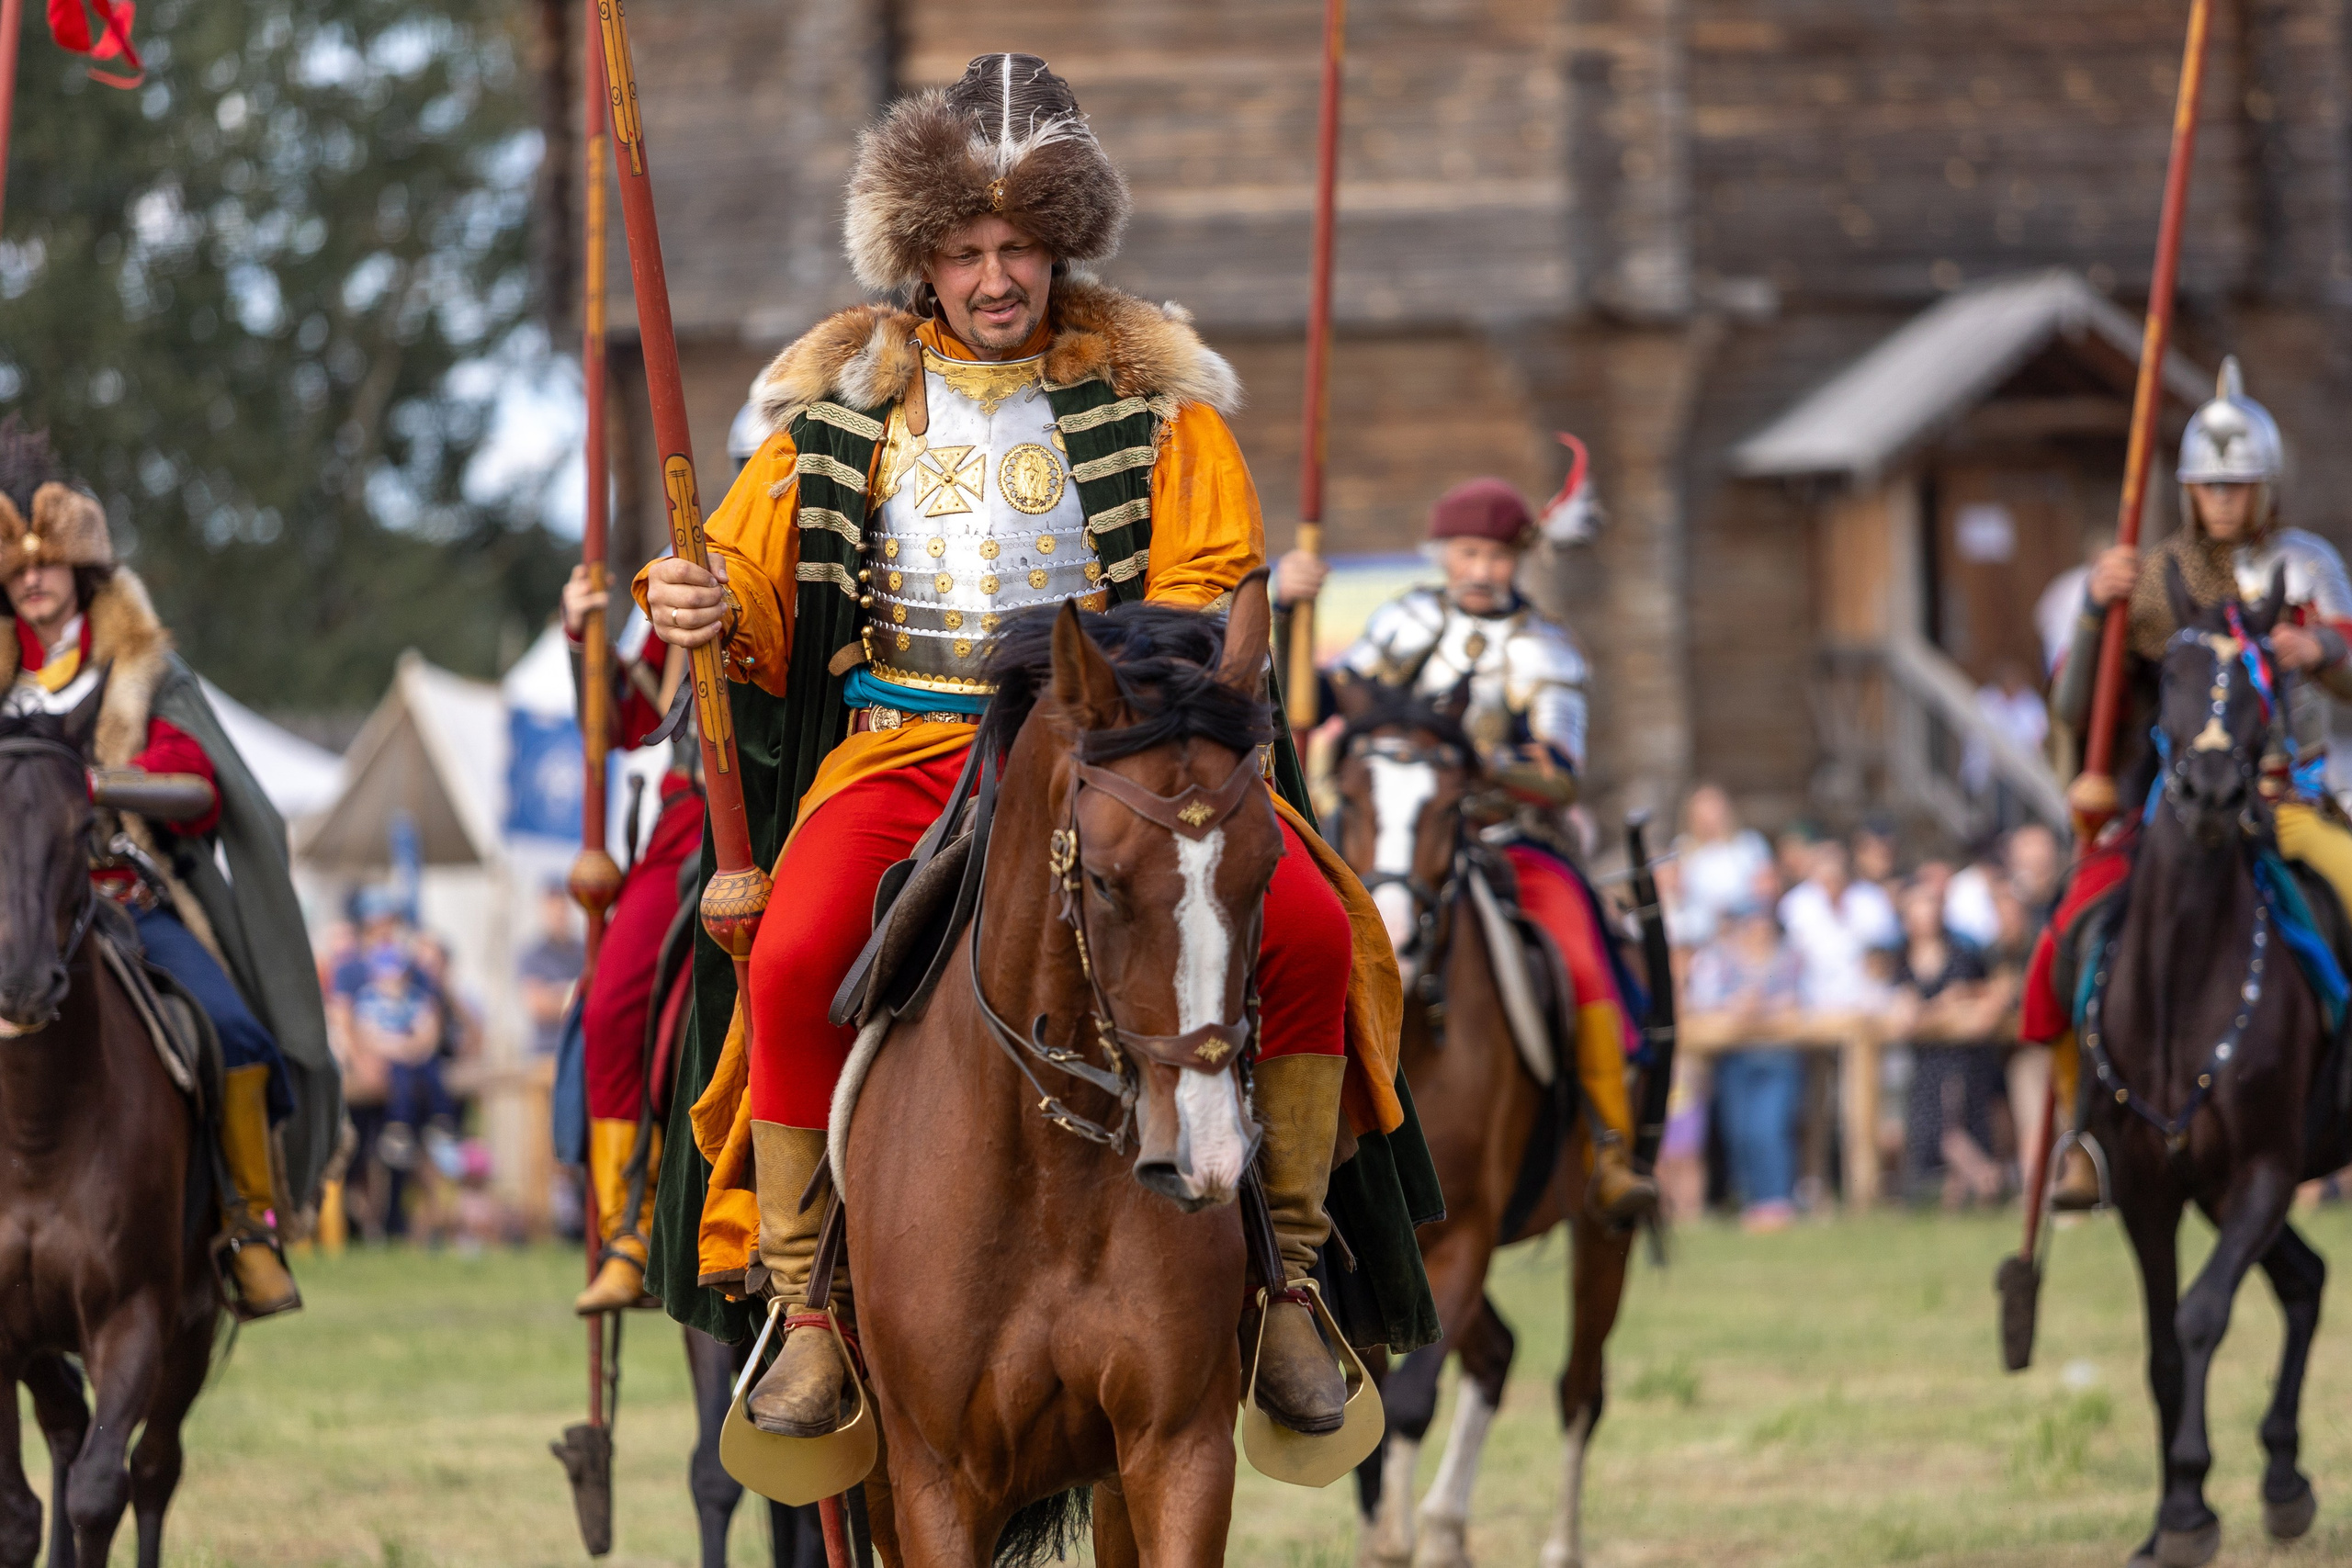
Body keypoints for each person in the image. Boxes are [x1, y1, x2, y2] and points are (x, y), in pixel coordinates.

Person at [639, 55, 1434, 1440]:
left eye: (1018, 248)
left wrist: (1117, 700)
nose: (995, 278)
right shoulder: (838, 417)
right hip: (900, 750)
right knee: (794, 945)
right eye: (964, 251)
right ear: (921, 260)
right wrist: (697, 598)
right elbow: (755, 599)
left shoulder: (1161, 412)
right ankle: (809, 1305)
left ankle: (1294, 1275)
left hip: (1102, 757)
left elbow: (1202, 600)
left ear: (1059, 248)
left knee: (1307, 927)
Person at [0, 423, 338, 1316]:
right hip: (13, 909)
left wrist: (99, 784)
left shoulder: (141, 670)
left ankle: (249, 1227)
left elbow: (198, 788)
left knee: (234, 1034)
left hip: (123, 900)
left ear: (83, 574)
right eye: (18, 571)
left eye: (49, 566)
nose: (32, 580)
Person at [1295, 474, 1660, 1224]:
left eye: (1498, 555)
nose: (1483, 569)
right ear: (1443, 556)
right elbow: (1325, 702)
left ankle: (1610, 1143)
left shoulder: (1545, 649)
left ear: (1520, 558)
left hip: (1508, 838)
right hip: (1390, 834)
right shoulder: (1403, 622)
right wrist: (1290, 610)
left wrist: (1475, 765)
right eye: (1468, 552)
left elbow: (1561, 771)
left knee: (1580, 950)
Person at [2041, 357, 2352, 1205]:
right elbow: (2080, 702)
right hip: (2178, 812)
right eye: (2209, 488)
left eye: (2238, 485)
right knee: (2066, 933)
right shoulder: (2152, 579)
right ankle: (2087, 1134)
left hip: (2292, 798)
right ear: (2187, 492)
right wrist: (2095, 612)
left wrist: (2322, 651)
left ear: (2265, 487)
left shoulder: (2307, 565)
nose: (2223, 501)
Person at [561, 562, 707, 1314]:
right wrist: (585, 636)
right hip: (692, 815)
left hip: (804, 794)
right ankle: (633, 1224)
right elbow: (623, 720)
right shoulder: (691, 567)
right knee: (610, 1006)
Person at [1683, 888, 1807, 1230]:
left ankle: (1777, 1200)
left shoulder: (1790, 958)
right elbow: (1703, 1001)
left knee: (1769, 1129)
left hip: (1777, 1058)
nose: (1757, 928)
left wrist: (1767, 1007)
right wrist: (1735, 1006)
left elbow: (1803, 1001)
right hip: (1734, 1057)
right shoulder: (1721, 959)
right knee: (1739, 1132)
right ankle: (1751, 1200)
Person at [1888, 879, 2011, 1207]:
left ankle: (1986, 1180)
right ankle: (1972, 1189)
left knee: (1955, 1126)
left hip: (1963, 1057)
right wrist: (1941, 1008)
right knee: (1938, 1129)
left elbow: (1980, 1002)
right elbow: (1906, 1018)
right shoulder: (1902, 963)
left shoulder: (1961, 957)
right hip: (1927, 1060)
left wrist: (1934, 1011)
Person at [1777, 840, 1898, 1013]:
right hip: (1811, 999)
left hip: (1866, 1000)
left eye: (1836, 875)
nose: (1831, 882)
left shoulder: (1872, 899)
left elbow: (1885, 953)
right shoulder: (1795, 905)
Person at [1670, 783, 1772, 948]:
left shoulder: (1749, 844)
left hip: (1746, 932)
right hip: (1701, 938)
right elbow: (1677, 897)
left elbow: (1765, 891)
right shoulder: (1682, 849)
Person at [516, 879, 584, 1059]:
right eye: (553, 909)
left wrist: (557, 994)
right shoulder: (532, 954)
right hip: (546, 1052)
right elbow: (537, 1005)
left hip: (580, 1047)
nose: (559, 915)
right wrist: (574, 995)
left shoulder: (583, 951)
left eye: (562, 909)